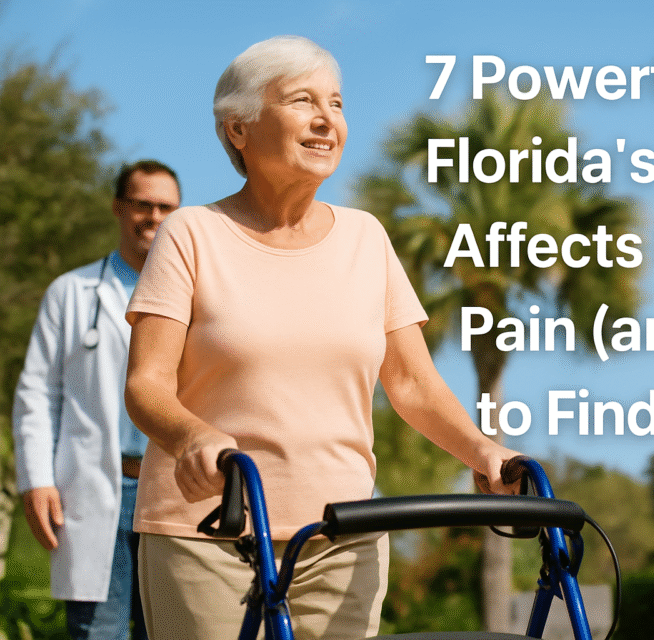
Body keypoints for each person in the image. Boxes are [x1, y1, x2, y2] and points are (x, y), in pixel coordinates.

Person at [123, 35, 522, 640]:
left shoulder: (366, 239)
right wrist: (193, 435)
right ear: (238, 129)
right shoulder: (191, 234)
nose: (325, 120)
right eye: (301, 100)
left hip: (344, 536)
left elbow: (412, 385)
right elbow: (146, 384)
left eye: (336, 103)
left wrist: (484, 452)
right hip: (209, 531)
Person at [12, 160, 182, 640]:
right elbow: (37, 394)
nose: (154, 216)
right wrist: (37, 480)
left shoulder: (195, 295)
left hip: (170, 491)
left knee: (176, 629)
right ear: (118, 207)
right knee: (97, 633)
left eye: (166, 206)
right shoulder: (71, 293)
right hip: (93, 488)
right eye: (142, 204)